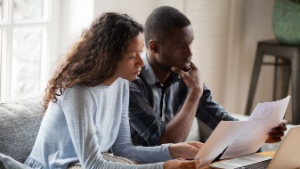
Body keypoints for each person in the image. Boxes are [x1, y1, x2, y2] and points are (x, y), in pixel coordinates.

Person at [20, 12, 202, 169]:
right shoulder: (78, 92)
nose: (141, 62)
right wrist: (163, 166)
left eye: (140, 52)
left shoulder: (122, 84)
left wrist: (173, 150)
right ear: (109, 57)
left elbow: (123, 149)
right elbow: (93, 164)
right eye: (132, 56)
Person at [128, 6, 287, 146]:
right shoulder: (131, 82)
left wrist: (262, 133)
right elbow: (164, 145)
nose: (189, 53)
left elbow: (220, 119)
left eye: (190, 44)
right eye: (182, 46)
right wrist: (195, 92)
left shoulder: (184, 76)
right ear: (154, 47)